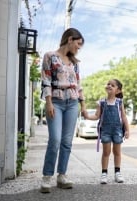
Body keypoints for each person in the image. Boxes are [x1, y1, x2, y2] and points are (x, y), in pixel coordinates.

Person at [40, 28, 86, 193]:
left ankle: (62, 176)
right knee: (55, 140)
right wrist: (49, 103)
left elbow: (78, 85)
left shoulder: (75, 63)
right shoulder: (50, 56)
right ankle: (46, 177)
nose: (78, 48)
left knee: (67, 141)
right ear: (70, 40)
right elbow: (45, 80)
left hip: (72, 103)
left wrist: (83, 105)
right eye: (78, 44)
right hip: (56, 102)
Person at [83, 79, 130, 184]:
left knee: (117, 152)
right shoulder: (101, 102)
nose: (109, 86)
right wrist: (87, 116)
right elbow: (96, 116)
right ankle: (104, 173)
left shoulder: (119, 102)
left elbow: (123, 117)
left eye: (112, 85)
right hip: (106, 130)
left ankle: (117, 173)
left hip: (117, 130)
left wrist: (127, 129)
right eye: (108, 84)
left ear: (117, 91)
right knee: (106, 152)